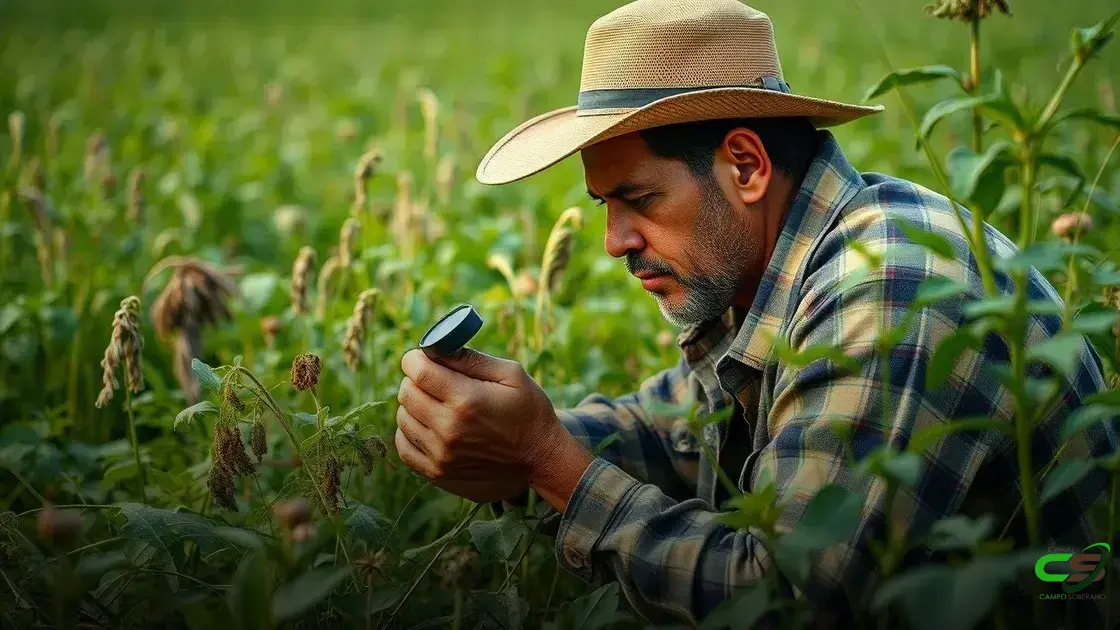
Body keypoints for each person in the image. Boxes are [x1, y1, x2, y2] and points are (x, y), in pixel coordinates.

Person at [393, 0, 1117, 625]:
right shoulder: (772, 265)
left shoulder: (887, 289)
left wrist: (547, 462)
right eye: (605, 206)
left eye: (639, 200)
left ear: (745, 165)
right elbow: (675, 432)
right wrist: (499, 435)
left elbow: (791, 599)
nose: (614, 242)